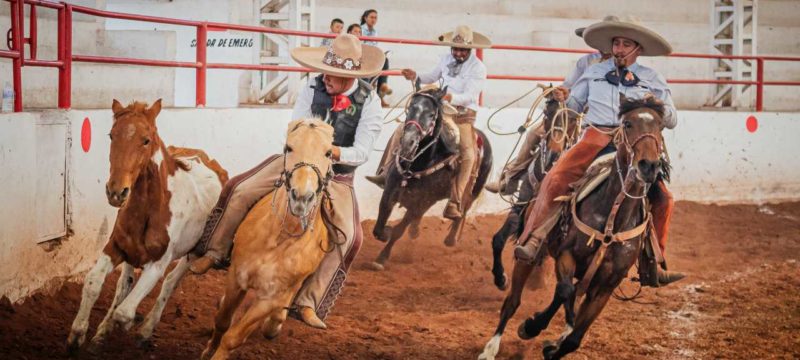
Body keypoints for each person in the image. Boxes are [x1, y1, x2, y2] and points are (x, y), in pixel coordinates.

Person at [189, 34, 385, 328]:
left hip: (337, 174)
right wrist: (306, 149)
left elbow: (363, 151)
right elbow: (294, 126)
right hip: (297, 164)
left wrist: (331, 151)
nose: (327, 78)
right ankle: (216, 251)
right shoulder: (311, 85)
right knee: (240, 190)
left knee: (351, 237)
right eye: (327, 71)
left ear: (349, 78)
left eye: (335, 75)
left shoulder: (370, 100)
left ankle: (308, 301)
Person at [513, 16, 685, 287]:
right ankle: (532, 240)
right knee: (555, 178)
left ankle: (653, 263)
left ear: (637, 49)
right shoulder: (593, 71)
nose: (618, 49)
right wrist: (561, 98)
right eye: (615, 43)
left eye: (625, 44)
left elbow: (672, 120)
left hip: (636, 141)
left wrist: (657, 105)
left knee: (664, 198)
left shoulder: (653, 79)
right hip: (596, 137)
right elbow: (575, 105)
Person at [366, 25, 490, 220]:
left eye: (462, 50)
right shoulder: (445, 58)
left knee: (468, 153)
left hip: (462, 114)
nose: (457, 53)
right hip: (441, 106)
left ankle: (455, 201)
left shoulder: (478, 68)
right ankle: (386, 171)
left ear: (470, 50)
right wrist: (416, 76)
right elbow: (432, 76)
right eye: (455, 49)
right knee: (403, 128)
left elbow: (470, 95)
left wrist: (450, 97)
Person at [484, 16, 617, 195]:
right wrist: (562, 92)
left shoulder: (623, 67)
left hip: (597, 120)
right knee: (534, 134)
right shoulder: (585, 62)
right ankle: (511, 176)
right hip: (572, 111)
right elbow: (569, 84)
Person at [360, 9, 392, 106]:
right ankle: (375, 96)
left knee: (384, 59)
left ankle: (380, 93)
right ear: (365, 18)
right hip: (363, 57)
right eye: (371, 17)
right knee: (376, 68)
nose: (374, 20)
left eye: (375, 18)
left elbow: (375, 46)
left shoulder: (375, 31)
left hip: (373, 56)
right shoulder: (360, 29)